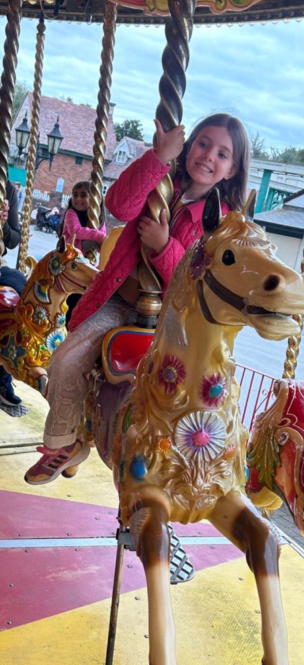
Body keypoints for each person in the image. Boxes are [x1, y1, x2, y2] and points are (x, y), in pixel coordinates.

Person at [25, 113, 250, 485]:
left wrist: (164, 247)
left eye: (223, 154)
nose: (209, 156)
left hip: (171, 320)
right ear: (188, 144)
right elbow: (119, 205)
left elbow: (200, 280)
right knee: (65, 360)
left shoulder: (221, 222)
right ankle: (66, 442)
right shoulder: (159, 179)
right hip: (117, 302)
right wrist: (158, 157)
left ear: (232, 170)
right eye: (204, 143)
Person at [58, 181, 106, 322]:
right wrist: (98, 236)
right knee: (72, 297)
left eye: (83, 195)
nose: (78, 199)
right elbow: (76, 231)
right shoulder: (71, 213)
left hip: (84, 264)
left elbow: (101, 245)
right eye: (75, 195)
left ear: (94, 199)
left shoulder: (97, 219)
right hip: (69, 262)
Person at [0, 181, 25, 407]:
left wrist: (4, 223)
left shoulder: (6, 188)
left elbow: (14, 239)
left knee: (26, 296)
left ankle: (2, 376)